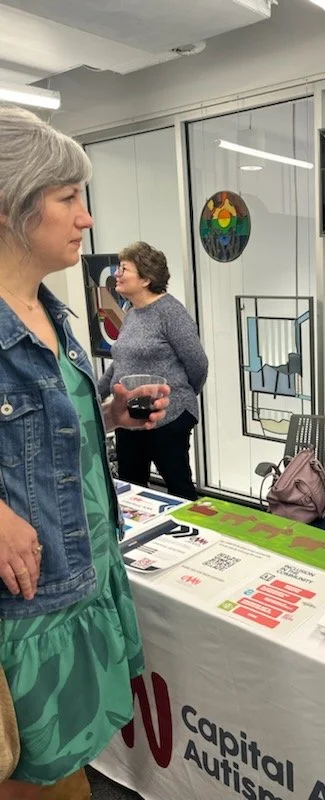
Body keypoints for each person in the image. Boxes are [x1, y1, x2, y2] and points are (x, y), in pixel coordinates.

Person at [0, 105, 170, 799]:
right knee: (39, 775)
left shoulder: (49, 309)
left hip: (85, 571)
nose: (86, 218)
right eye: (68, 197)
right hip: (28, 607)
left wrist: (107, 416)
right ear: (11, 204)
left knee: (72, 768)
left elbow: (31, 436)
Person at [98, 242, 208, 500]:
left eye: (124, 269)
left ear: (146, 278)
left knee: (179, 490)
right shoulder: (131, 312)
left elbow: (198, 364)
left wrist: (181, 397)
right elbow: (121, 360)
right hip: (129, 415)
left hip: (169, 417)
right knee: (131, 490)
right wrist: (94, 393)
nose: (116, 275)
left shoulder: (171, 312)